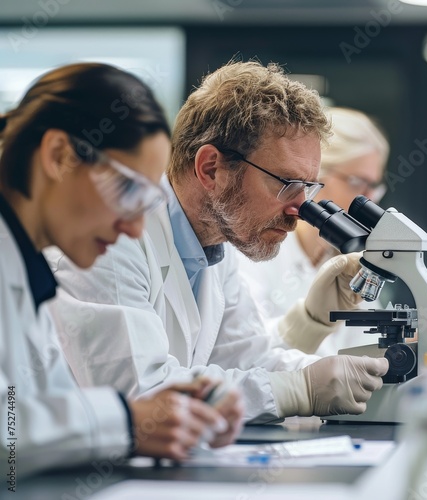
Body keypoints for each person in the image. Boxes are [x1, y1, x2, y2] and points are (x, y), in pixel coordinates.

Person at [46, 60, 389, 425]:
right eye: (286, 182)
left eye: (309, 187)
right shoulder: (113, 240)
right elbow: (142, 391)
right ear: (211, 168)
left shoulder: (214, 248)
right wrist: (298, 389)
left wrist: (362, 374)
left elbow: (249, 360)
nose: (300, 208)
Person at [0, 62, 243, 478]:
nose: (134, 227)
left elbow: (35, 412)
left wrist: (177, 407)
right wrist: (128, 421)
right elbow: (10, 433)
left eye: (146, 202)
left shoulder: (26, 268)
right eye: (127, 189)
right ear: (59, 155)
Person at [237, 107, 389, 356]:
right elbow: (246, 352)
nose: (369, 199)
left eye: (374, 187)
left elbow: (371, 343)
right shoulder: (260, 247)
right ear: (317, 174)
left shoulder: (347, 260)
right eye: (357, 182)